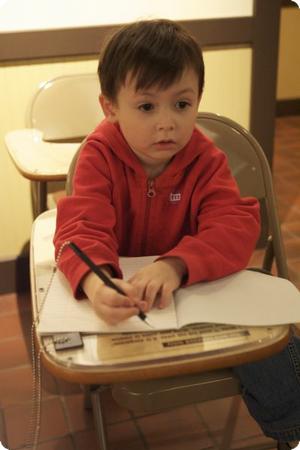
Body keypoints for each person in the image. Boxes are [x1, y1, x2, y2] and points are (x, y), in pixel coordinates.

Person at [53, 19, 300, 450]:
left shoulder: (205, 157)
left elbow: (235, 225)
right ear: (109, 106)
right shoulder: (98, 156)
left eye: (181, 105)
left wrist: (176, 263)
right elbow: (79, 228)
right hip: (132, 302)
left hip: (192, 289)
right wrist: (97, 280)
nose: (166, 124)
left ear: (198, 100)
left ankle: (290, 431)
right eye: (147, 107)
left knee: (277, 345)